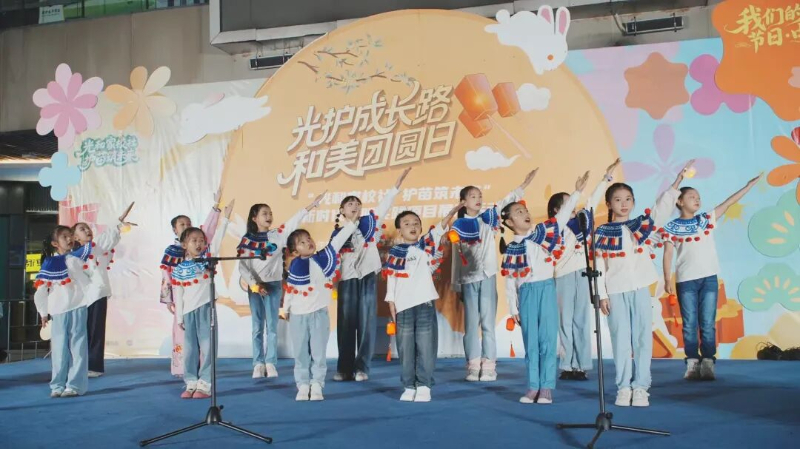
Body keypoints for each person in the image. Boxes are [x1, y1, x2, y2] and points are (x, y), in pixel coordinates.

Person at [595, 160, 693, 407]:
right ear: (609, 204)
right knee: (620, 340)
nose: (624, 203)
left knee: (641, 338)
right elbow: (598, 266)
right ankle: (623, 387)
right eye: (618, 199)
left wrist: (678, 181)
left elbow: (660, 209)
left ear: (634, 202)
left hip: (640, 287)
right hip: (615, 290)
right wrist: (602, 295)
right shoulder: (601, 232)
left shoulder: (641, 226)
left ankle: (641, 387)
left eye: (628, 199)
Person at [662, 173, 761, 381]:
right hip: (685, 280)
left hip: (708, 279)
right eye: (691, 197)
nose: (697, 199)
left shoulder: (705, 220)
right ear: (680, 202)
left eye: (698, 197)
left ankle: (708, 362)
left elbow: (728, 203)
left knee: (707, 322)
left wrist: (748, 186)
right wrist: (667, 279)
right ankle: (692, 362)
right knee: (689, 323)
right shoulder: (671, 227)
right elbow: (668, 254)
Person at [501, 171, 588, 404]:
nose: (525, 214)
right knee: (531, 343)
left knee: (548, 340)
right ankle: (533, 386)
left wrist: (577, 191)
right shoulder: (511, 249)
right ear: (509, 222)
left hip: (547, 289)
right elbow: (510, 280)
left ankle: (546, 387)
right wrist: (513, 308)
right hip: (526, 294)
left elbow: (561, 217)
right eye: (518, 212)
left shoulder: (542, 233)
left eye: (525, 210)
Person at [450, 169, 537, 381]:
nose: (478, 199)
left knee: (488, 323)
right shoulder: (458, 226)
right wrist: (456, 284)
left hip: (488, 275)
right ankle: (473, 364)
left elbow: (506, 201)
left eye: (480, 196)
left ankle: (489, 364)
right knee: (471, 325)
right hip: (468, 279)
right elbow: (456, 258)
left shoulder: (488, 218)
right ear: (463, 202)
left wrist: (523, 185)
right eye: (473, 196)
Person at [333, 168, 411, 382]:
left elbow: (384, 205)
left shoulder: (369, 224)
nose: (355, 206)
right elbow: (332, 257)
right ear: (342, 210)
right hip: (347, 279)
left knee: (366, 323)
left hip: (367, 277)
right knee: (346, 324)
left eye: (358, 203)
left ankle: (362, 368)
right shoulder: (338, 232)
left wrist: (396, 185)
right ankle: (344, 368)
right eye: (350, 204)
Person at [238, 192, 325, 379]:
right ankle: (258, 363)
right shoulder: (247, 240)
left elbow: (295, 220)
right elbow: (242, 266)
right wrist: (255, 285)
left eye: (270, 213)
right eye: (264, 213)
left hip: (274, 285)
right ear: (254, 218)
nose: (269, 216)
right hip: (255, 287)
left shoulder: (278, 234)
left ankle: (270, 362)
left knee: (272, 325)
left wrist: (312, 205)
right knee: (257, 326)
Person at [384, 203, 462, 402]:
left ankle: (424, 385)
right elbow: (391, 278)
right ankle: (409, 385)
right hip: (403, 306)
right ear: (399, 231)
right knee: (405, 348)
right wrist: (391, 301)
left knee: (426, 347)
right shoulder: (394, 252)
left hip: (425, 304)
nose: (412, 226)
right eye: (407, 223)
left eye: (416, 223)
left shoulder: (425, 246)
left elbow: (439, 229)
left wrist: (451, 214)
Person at [551, 159, 619, 381]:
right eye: (567, 202)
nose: (573, 205)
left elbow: (592, 201)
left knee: (581, 320)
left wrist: (606, 178)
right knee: (565, 321)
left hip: (583, 274)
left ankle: (581, 365)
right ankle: (567, 364)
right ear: (557, 210)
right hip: (562, 276)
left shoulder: (581, 221)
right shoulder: (555, 227)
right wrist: (576, 192)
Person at [285, 219, 358, 401]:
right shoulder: (295, 266)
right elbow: (290, 289)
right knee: (300, 353)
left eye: (309, 238)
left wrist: (351, 225)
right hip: (298, 315)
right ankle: (302, 385)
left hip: (319, 314)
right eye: (302, 242)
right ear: (295, 251)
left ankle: (317, 384)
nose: (308, 242)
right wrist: (286, 309)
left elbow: (336, 242)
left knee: (319, 352)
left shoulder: (322, 259)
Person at [159, 189, 222, 377]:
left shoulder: (199, 248)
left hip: (199, 298)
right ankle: (183, 368)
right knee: (182, 332)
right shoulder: (171, 250)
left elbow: (209, 230)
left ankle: (203, 370)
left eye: (188, 223)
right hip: (181, 298)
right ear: (174, 229)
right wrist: (168, 299)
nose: (186, 226)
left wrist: (216, 208)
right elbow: (166, 275)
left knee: (204, 335)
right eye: (182, 224)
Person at [34, 226, 103, 397]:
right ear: (55, 243)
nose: (69, 239)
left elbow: (90, 279)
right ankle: (57, 386)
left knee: (78, 347)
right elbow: (41, 290)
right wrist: (43, 313)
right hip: (58, 310)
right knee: (59, 349)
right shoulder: (49, 263)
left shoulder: (77, 258)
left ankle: (74, 385)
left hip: (78, 307)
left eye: (70, 236)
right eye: (64, 237)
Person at [70, 202, 136, 377]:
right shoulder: (73, 255)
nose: (87, 230)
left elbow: (107, 238)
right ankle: (77, 364)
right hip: (79, 297)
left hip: (96, 294)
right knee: (79, 331)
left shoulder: (95, 247)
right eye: (82, 229)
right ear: (75, 237)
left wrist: (118, 221)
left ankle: (94, 366)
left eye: (87, 228)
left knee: (95, 330)